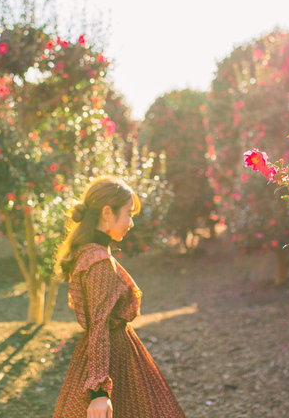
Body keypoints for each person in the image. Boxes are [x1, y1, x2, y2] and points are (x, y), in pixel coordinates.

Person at [53, 176, 186, 418]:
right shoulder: (99, 261)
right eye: (128, 213)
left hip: (111, 357)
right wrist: (99, 392)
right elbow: (100, 325)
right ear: (107, 213)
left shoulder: (89, 252)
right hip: (112, 360)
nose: (131, 222)